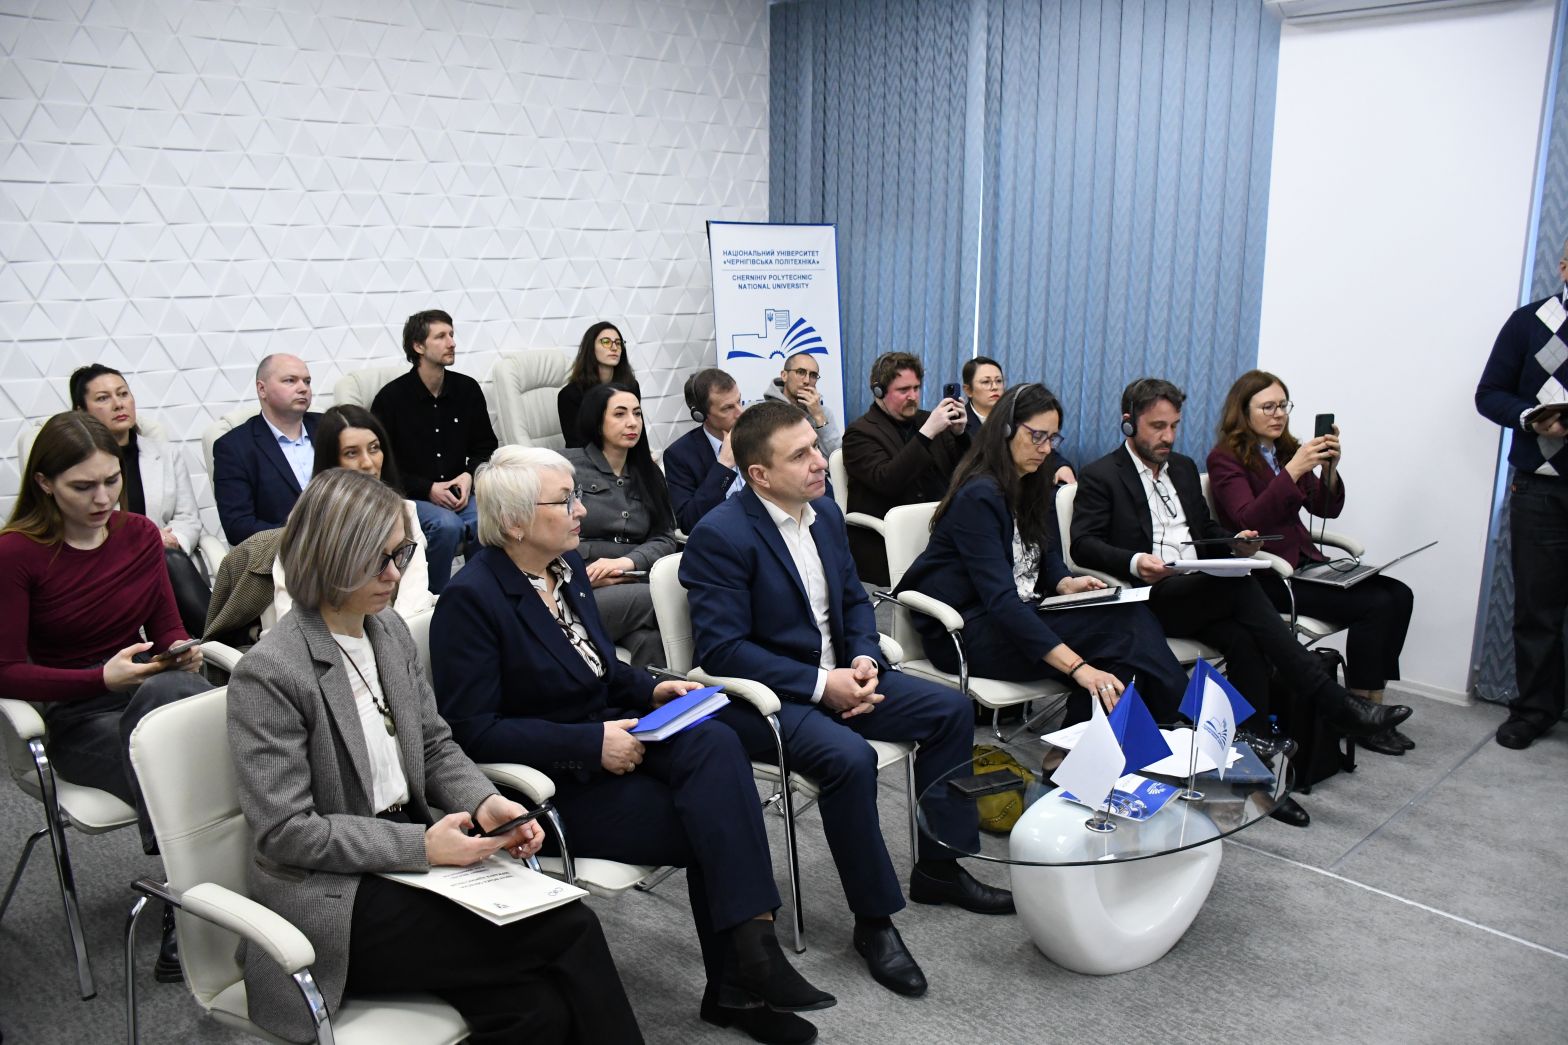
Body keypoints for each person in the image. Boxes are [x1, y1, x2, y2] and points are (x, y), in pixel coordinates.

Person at [431, 445, 835, 1045]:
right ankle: (743, 981)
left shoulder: (564, 569)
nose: (581, 510)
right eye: (565, 500)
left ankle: (753, 954)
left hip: (617, 735)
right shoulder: (473, 599)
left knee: (715, 740)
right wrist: (590, 743)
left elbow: (600, 668)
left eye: (576, 496)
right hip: (555, 783)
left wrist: (652, 688)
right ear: (514, 523)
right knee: (713, 821)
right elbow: (473, 731)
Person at [226, 468, 642, 1045]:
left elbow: (434, 743)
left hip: (408, 862)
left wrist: (486, 802)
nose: (394, 575)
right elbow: (286, 832)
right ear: (329, 557)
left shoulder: (386, 631)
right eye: (377, 560)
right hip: (333, 900)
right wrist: (421, 847)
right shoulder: (271, 673)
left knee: (535, 1009)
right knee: (570, 927)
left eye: (399, 555)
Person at [681, 400, 1013, 1002]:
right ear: (759, 475)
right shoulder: (719, 535)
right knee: (849, 760)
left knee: (951, 711)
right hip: (769, 701)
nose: (819, 461)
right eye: (801, 455)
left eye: (815, 446)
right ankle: (874, 920)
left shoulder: (827, 514)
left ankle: (940, 866)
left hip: (844, 676)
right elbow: (722, 650)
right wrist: (820, 684)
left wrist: (864, 659)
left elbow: (855, 601)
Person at [1070, 378, 1413, 828]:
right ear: (1129, 423)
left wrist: (1234, 543)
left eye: (1174, 425)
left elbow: (1206, 531)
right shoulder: (1102, 474)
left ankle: (1253, 779)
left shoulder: (1183, 468)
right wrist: (1136, 561)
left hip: (1199, 591)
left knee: (1247, 638)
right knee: (1242, 589)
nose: (1168, 437)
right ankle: (1334, 702)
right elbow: (1083, 543)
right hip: (1152, 596)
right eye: (1157, 427)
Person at [0, 412, 210, 979]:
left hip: (150, 694)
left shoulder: (138, 534)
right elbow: (6, 673)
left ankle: (191, 903)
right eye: (83, 486)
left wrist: (178, 650)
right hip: (78, 717)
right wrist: (99, 680)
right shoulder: (16, 554)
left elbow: (166, 628)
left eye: (112, 481)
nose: (103, 499)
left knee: (184, 697)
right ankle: (194, 904)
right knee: (190, 764)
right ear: (44, 483)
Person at [898, 384, 1187, 726]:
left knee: (1120, 650)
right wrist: (1078, 668)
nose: (1046, 448)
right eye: (1037, 436)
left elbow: (1045, 550)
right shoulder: (979, 496)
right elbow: (1001, 601)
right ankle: (1187, 716)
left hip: (1020, 613)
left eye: (1052, 439)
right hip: (966, 630)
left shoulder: (1033, 482)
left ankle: (1074, 752)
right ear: (1005, 430)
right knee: (1122, 632)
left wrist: (1064, 582)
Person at [1208, 370, 1414, 757]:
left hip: (1306, 564)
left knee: (1399, 594)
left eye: (1283, 406)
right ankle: (1360, 714)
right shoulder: (1225, 459)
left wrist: (1329, 469)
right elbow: (1246, 519)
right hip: (1270, 575)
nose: (1278, 414)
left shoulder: (1287, 451)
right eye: (1267, 407)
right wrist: (1293, 472)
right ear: (1243, 411)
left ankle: (1373, 701)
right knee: (1377, 603)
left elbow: (1326, 509)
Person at [203, 406, 439, 647]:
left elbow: (413, 595)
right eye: (351, 453)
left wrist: (387, 647)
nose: (368, 463)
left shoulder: (404, 511)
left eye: (374, 448)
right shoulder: (306, 523)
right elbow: (292, 616)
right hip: (324, 650)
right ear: (331, 462)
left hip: (394, 638)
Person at [1476, 244, 1568, 750]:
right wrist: (1532, 418)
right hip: (1540, 488)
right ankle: (1535, 709)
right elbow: (1489, 394)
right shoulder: (1530, 322)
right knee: (1537, 608)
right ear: (1563, 266)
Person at [68, 363, 211, 636]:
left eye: (123, 394)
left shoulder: (166, 454)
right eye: (103, 398)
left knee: (166, 558)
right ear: (81, 412)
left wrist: (173, 540)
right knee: (162, 557)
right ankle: (229, 639)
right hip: (107, 565)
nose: (118, 404)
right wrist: (148, 540)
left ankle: (217, 640)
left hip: (166, 559)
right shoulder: (76, 466)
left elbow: (188, 518)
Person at [370, 309, 498, 591]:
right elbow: (382, 466)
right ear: (418, 346)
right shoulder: (391, 399)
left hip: (459, 491)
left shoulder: (467, 389)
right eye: (441, 336)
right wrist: (428, 488)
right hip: (411, 496)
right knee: (447, 527)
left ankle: (482, 594)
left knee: (486, 520)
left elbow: (486, 446)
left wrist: (469, 475)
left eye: (451, 334)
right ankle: (433, 599)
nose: (452, 342)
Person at [561, 384, 675, 668]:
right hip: (581, 591)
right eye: (620, 414)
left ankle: (655, 696)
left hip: (633, 580)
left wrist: (627, 562)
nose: (632, 422)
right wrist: (579, 577)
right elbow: (545, 535)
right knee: (673, 597)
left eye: (637, 413)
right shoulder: (566, 467)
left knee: (651, 641)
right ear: (597, 421)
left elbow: (665, 537)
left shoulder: (650, 473)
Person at [841, 352, 970, 584]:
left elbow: (965, 475)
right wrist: (927, 433)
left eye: (916, 388)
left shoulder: (930, 420)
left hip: (939, 535)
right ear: (878, 391)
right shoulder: (859, 433)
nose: (913, 396)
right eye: (903, 390)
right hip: (887, 544)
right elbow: (887, 481)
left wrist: (960, 436)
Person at [213, 353, 321, 545]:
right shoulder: (234, 448)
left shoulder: (330, 427)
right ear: (262, 389)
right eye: (290, 380)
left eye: (307, 381)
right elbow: (237, 527)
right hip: (283, 553)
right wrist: (296, 534)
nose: (303, 388)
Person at [962, 357, 1076, 485]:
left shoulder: (1015, 413)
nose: (994, 387)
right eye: (986, 382)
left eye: (999, 381)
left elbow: (1042, 445)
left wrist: (1062, 466)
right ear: (968, 390)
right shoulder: (958, 424)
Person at [664, 367, 745, 532]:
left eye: (739, 401)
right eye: (728, 408)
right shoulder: (679, 455)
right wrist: (723, 467)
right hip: (723, 537)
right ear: (700, 415)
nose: (740, 413)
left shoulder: (758, 437)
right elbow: (688, 521)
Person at [557, 321, 640, 449]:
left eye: (618, 343)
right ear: (591, 348)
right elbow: (577, 445)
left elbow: (638, 432)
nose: (614, 347)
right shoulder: (570, 395)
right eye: (606, 342)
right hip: (588, 459)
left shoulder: (631, 386)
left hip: (626, 454)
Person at [765, 352, 841, 455]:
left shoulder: (824, 413)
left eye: (813, 375)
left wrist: (819, 417)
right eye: (801, 372)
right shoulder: (763, 410)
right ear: (784, 375)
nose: (807, 381)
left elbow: (837, 457)